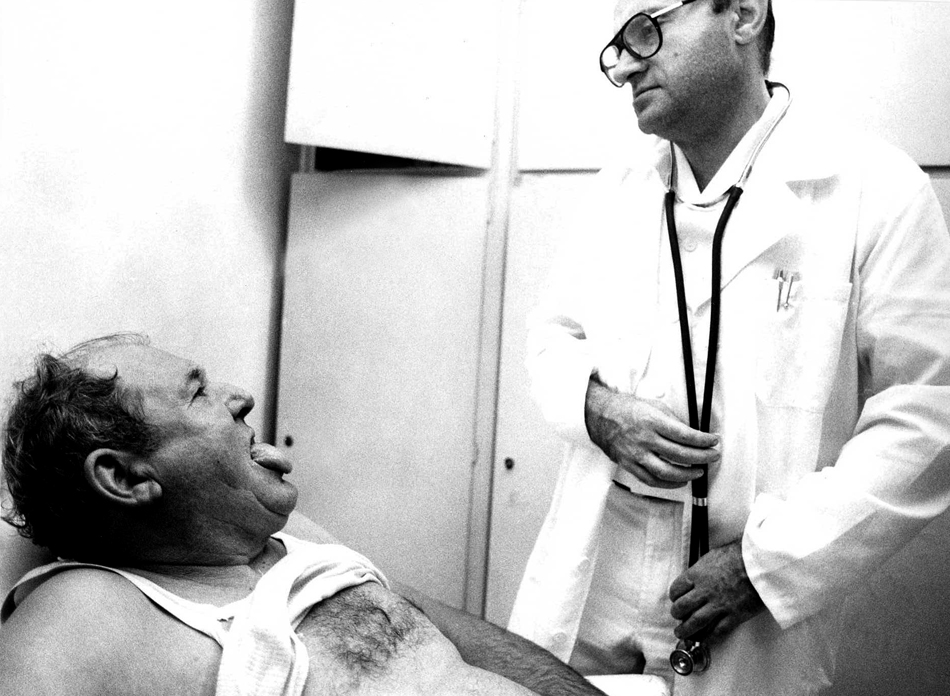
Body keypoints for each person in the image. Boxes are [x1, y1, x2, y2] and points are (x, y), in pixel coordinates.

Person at [507, 0, 950, 694]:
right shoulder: (619, 186)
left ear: (742, 14)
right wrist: (598, 410)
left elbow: (925, 417)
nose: (623, 67)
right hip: (596, 569)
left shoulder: (877, 190)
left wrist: (764, 565)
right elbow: (553, 335)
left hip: (745, 592)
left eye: (645, 31)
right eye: (616, 46)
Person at [0, 334, 606, 696]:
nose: (241, 397)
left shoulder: (287, 540)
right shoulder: (84, 610)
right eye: (199, 393)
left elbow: (463, 640)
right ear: (127, 478)